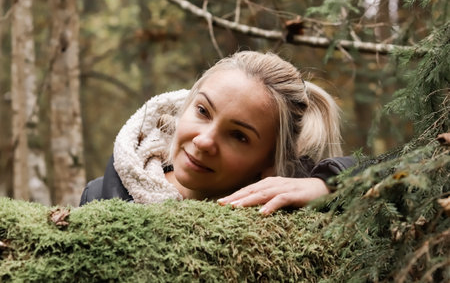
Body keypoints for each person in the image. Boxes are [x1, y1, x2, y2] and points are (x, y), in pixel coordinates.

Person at [79, 51, 355, 214]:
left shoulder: (290, 204)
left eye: (239, 136)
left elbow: (396, 169)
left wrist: (329, 184)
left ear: (269, 161)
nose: (204, 141)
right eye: (202, 111)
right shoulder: (101, 194)